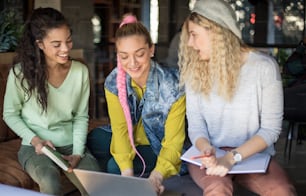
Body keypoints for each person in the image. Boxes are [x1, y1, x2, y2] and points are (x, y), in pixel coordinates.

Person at [178, 0, 297, 195]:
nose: (190, 43)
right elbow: (197, 127)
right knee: (217, 188)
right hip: (210, 155)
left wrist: (231, 158)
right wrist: (207, 150)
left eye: (194, 35)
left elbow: (271, 129)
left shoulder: (264, 68)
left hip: (253, 155)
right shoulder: (195, 70)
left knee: (282, 191)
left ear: (216, 32)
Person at [2, 7, 100, 195]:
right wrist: (36, 140)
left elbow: (81, 116)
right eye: (56, 44)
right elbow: (10, 114)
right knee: (50, 182)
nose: (65, 49)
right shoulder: (20, 74)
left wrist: (78, 153)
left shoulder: (80, 72)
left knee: (98, 187)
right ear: (40, 44)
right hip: (34, 147)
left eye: (68, 41)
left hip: (71, 143)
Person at [87, 14, 186, 195]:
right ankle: (119, 176)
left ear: (151, 50)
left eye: (139, 54)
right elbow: (120, 128)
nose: (132, 63)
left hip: (156, 144)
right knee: (95, 139)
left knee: (113, 166)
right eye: (124, 57)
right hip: (132, 138)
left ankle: (118, 175)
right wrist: (128, 172)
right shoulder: (113, 82)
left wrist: (157, 175)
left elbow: (173, 143)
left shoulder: (173, 86)